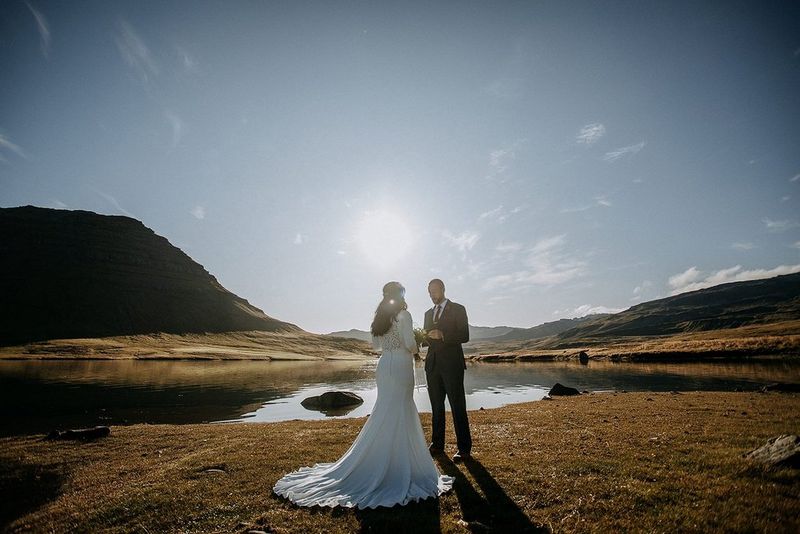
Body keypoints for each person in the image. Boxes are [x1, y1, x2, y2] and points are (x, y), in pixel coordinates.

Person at [273, 281, 453, 508]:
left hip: (384, 365)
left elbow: (377, 345)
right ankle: (400, 464)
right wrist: (419, 343)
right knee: (401, 409)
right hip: (399, 366)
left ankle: (381, 459)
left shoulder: (379, 319)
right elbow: (409, 344)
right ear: (400, 295)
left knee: (385, 409)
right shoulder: (404, 316)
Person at [423, 278, 472, 462]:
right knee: (436, 407)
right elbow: (428, 339)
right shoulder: (428, 313)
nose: (431, 295)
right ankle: (437, 445)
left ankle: (464, 449)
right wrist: (421, 338)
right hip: (432, 366)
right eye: (429, 292)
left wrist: (443, 335)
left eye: (434, 291)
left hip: (452, 366)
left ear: (442, 289)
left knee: (458, 406)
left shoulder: (458, 309)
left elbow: (465, 335)